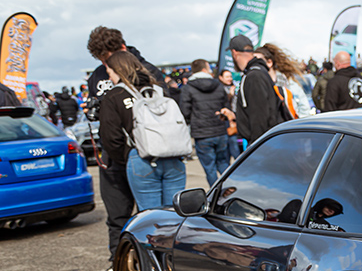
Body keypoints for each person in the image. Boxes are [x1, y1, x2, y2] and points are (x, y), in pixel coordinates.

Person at [86, 26, 169, 271]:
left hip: (145, 155)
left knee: (152, 214)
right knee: (117, 214)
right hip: (112, 157)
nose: (105, 65)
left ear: (120, 49)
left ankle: (157, 265)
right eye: (100, 60)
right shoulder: (98, 75)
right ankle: (119, 262)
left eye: (107, 59)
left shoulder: (147, 70)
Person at [101, 51, 186, 211]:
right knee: (175, 213)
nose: (109, 78)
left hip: (141, 157)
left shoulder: (114, 96)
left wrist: (126, 158)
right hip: (173, 154)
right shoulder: (158, 90)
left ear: (117, 70)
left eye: (109, 73)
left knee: (150, 215)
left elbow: (111, 137)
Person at [225, 35, 285, 145]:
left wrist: (257, 148)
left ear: (234, 53)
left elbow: (260, 117)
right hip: (267, 141)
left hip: (263, 144)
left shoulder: (254, 76)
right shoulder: (258, 72)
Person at [178, 59, 230, 187]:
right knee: (224, 164)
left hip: (202, 133)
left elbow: (185, 111)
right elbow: (226, 106)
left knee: (209, 168)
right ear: (204, 69)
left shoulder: (188, 88)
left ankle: (216, 193)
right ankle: (231, 188)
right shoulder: (218, 85)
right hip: (220, 130)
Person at [258, 43, 314, 116]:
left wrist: (296, 122)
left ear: (269, 62)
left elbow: (304, 109)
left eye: (258, 61)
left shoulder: (288, 83)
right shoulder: (258, 83)